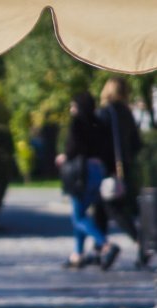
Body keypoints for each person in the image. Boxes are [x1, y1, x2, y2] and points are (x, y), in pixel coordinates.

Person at [56, 91, 121, 269]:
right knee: (82, 213)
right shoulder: (99, 123)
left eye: (73, 106)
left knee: (78, 217)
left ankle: (106, 245)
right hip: (98, 171)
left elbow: (73, 148)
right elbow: (107, 150)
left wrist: (64, 156)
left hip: (82, 173)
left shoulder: (77, 123)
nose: (71, 109)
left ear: (79, 107)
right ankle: (77, 254)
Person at [95, 77, 142, 255]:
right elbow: (136, 143)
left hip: (108, 168)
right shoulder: (126, 112)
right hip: (124, 167)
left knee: (113, 208)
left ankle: (139, 241)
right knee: (102, 208)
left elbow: (99, 142)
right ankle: (100, 248)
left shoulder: (105, 112)